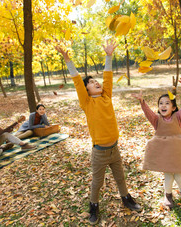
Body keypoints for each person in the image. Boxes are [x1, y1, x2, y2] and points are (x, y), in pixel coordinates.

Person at [56, 40, 141, 225]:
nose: (96, 83)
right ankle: (93, 205)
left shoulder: (106, 96)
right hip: (99, 153)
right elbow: (78, 81)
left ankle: (126, 198)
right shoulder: (87, 103)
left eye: (96, 81)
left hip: (114, 150)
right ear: (86, 91)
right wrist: (67, 59)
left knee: (120, 178)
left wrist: (109, 55)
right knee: (97, 183)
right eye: (92, 83)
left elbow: (108, 76)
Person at [132, 86, 181, 208]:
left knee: (179, 175)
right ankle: (168, 196)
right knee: (168, 175)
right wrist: (142, 102)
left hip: (177, 152)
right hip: (164, 152)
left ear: (173, 108)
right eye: (161, 103)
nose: (163, 106)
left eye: (167, 103)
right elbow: (148, 113)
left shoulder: (178, 117)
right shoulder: (157, 120)